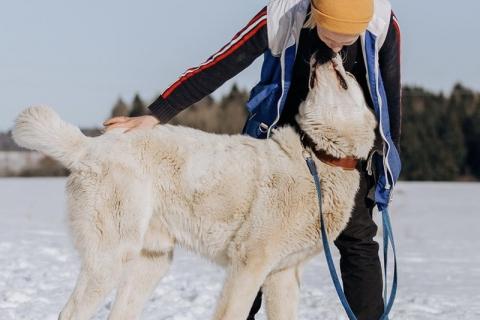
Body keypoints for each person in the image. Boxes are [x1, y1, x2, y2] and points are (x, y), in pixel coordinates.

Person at [104, 0, 401, 319]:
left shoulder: (382, 22)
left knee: (358, 237)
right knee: (263, 241)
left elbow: (390, 99)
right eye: (331, 36)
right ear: (315, 14)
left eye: (348, 40)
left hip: (340, 144)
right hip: (280, 138)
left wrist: (384, 164)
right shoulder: (283, 15)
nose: (338, 47)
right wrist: (156, 115)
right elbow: (220, 65)